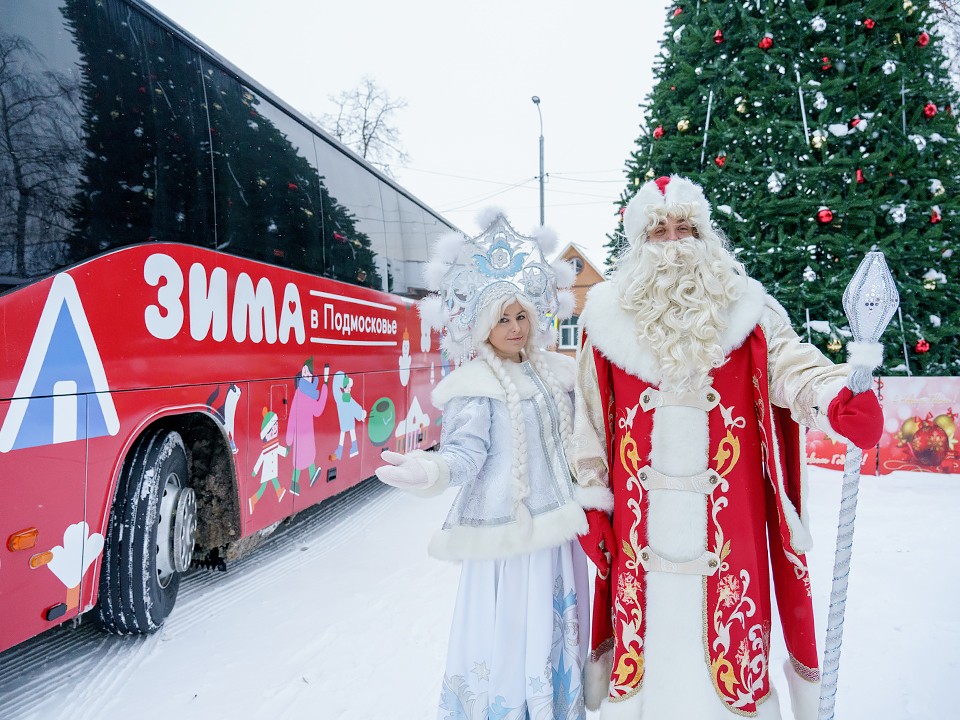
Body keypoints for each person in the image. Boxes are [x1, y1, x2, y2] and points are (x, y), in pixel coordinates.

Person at [570, 175, 884, 720]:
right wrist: (594, 503)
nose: (674, 241)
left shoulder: (748, 313)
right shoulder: (605, 323)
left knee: (730, 656)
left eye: (685, 227)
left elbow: (795, 367)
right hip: (637, 534)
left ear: (706, 234)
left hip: (727, 535)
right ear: (639, 244)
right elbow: (589, 424)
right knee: (645, 656)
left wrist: (835, 399)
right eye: (660, 231)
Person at [376, 213, 595, 720]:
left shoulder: (557, 374)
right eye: (503, 319)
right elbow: (465, 454)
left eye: (521, 317)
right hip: (509, 543)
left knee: (554, 629)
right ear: (482, 325)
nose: (515, 328)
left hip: (558, 539)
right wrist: (429, 472)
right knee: (513, 631)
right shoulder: (475, 385)